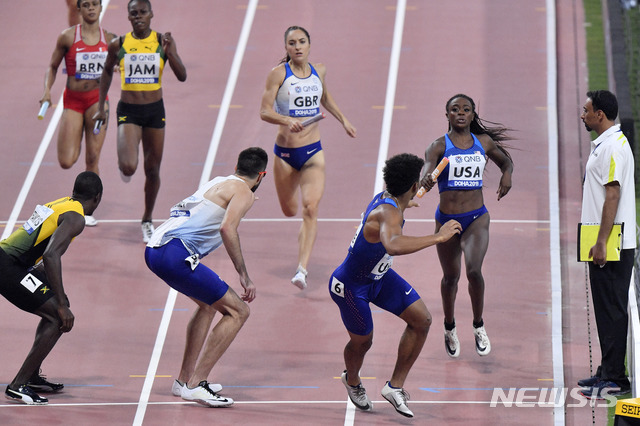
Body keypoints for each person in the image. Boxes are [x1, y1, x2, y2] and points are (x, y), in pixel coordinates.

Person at [329, 153, 461, 418]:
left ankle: (394, 387)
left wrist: (410, 198)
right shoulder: (386, 213)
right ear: (412, 185)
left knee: (421, 320)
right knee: (363, 342)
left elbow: (398, 202)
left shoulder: (391, 199)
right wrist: (439, 236)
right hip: (351, 287)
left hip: (378, 278)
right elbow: (393, 244)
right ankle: (352, 380)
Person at [145, 147, 268, 408]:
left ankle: (183, 381)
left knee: (207, 305)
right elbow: (227, 228)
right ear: (261, 175)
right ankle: (197, 384)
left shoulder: (219, 181)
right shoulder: (244, 191)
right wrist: (244, 275)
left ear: (237, 167)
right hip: (174, 253)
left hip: (155, 249)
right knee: (238, 311)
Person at [260, 25, 356, 290]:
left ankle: (301, 269)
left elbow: (325, 97)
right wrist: (286, 119)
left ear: (309, 44)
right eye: (292, 43)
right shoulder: (278, 75)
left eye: (302, 41)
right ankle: (301, 242)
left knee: (311, 208)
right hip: (286, 155)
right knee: (290, 210)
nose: (298, 46)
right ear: (286, 48)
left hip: (314, 151)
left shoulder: (319, 70)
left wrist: (343, 120)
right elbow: (264, 111)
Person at [419, 94, 513, 359]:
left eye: (466, 109)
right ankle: (449, 327)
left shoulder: (484, 142)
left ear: (473, 115)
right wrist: (425, 179)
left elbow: (506, 161)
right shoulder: (438, 147)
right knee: (451, 278)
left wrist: (507, 175)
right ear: (446, 114)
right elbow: (426, 171)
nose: (461, 113)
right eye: (455, 109)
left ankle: (478, 325)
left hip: (476, 218)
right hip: (447, 221)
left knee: (473, 271)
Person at [0, 172, 103, 405]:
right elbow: (50, 254)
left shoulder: (60, 203)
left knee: (55, 307)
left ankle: (32, 375)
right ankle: (18, 386)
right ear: (97, 198)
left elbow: (39, 250)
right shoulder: (76, 218)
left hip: (12, 263)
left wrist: (59, 295)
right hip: (8, 266)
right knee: (58, 316)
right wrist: (62, 305)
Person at [94, 0, 187, 243]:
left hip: (155, 110)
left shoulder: (161, 41)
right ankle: (125, 159)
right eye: (133, 13)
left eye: (142, 12)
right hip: (129, 111)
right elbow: (106, 71)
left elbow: (182, 75)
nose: (138, 17)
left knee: (153, 169)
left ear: (151, 14)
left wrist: (170, 53)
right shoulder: (120, 44)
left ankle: (147, 218)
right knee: (128, 167)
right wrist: (100, 105)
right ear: (128, 17)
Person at [576, 90, 636, 399]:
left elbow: (612, 194)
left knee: (612, 311)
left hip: (612, 245)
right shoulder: (605, 145)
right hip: (605, 242)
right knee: (604, 310)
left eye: (586, 110)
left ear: (601, 114)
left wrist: (601, 242)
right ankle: (606, 370)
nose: (583, 115)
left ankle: (616, 378)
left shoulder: (613, 147)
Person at [41, 0, 115, 227]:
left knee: (93, 157)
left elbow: (120, 67)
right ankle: (77, 135)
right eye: (86, 5)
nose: (91, 8)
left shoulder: (111, 40)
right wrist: (46, 92)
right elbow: (52, 66)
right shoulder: (67, 37)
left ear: (101, 8)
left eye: (95, 4)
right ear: (79, 9)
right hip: (73, 101)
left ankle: (87, 209)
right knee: (66, 160)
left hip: (97, 102)